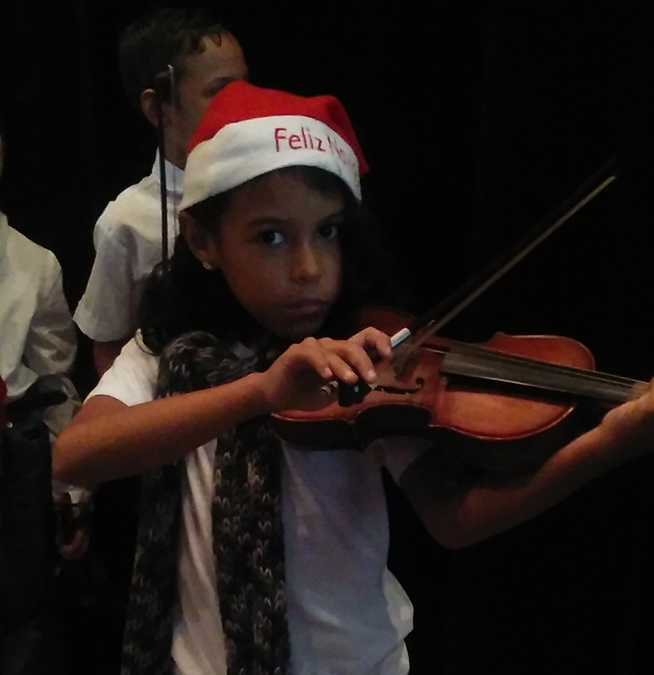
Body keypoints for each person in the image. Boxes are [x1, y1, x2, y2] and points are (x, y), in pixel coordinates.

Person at [53, 81, 654, 675]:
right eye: (270, 237)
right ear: (203, 241)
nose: (309, 267)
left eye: (329, 231)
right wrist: (260, 392)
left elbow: (455, 517)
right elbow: (75, 455)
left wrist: (605, 445)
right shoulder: (165, 352)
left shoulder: (371, 358)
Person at [74, 6, 248, 376]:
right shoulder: (127, 222)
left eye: (244, 88)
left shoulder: (269, 191)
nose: (240, 106)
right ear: (157, 108)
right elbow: (108, 345)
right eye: (218, 92)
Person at [0, 109, 81, 674]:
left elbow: (55, 384)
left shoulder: (33, 264)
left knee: (20, 617)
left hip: (10, 456)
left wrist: (70, 491)